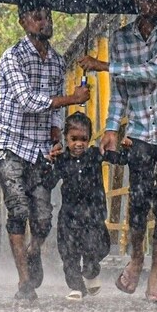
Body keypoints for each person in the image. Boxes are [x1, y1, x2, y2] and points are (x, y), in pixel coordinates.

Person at [78, 0, 157, 302]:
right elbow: (120, 92)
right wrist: (112, 127)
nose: (150, 3)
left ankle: (155, 277)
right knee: (138, 202)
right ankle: (137, 259)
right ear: (135, 0)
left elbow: (155, 70)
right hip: (140, 130)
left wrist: (103, 65)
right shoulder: (121, 38)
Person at [0, 2, 91, 301]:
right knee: (19, 209)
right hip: (9, 142)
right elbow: (28, 101)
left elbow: (54, 114)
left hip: (39, 147)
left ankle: (33, 251)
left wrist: (58, 131)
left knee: (44, 217)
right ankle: (24, 282)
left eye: (48, 17)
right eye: (38, 17)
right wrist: (72, 98)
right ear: (23, 22)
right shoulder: (12, 57)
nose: (44, 22)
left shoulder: (58, 62)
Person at [47, 112, 121, 301]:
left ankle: (91, 271)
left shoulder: (95, 155)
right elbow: (48, 182)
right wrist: (47, 163)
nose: (78, 144)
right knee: (68, 253)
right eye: (73, 139)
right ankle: (76, 287)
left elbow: (117, 159)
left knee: (96, 247)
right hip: (69, 217)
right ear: (65, 138)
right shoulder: (62, 160)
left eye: (83, 139)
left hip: (93, 215)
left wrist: (125, 148)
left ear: (89, 139)